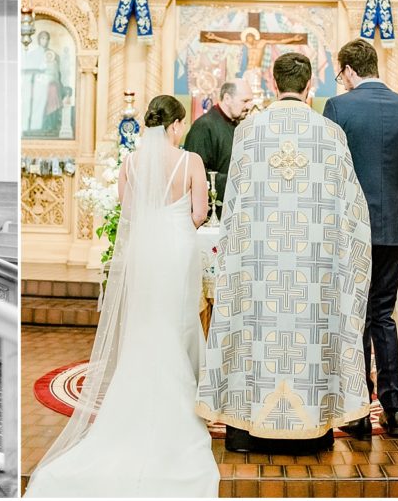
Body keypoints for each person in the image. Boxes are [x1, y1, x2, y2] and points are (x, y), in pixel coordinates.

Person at [26, 95, 219, 497]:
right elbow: (200, 213)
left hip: (146, 248)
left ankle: (138, 391)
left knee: (147, 319)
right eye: (180, 124)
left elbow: (128, 211)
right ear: (174, 125)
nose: (182, 130)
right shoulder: (190, 162)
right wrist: (176, 221)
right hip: (178, 246)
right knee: (178, 318)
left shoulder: (131, 162)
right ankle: (182, 393)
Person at [197, 52, 372, 454]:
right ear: (310, 86)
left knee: (255, 337)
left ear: (274, 85)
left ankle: (244, 430)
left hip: (259, 270)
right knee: (309, 338)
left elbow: (234, 206)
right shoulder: (330, 134)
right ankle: (314, 428)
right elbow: (351, 211)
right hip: (313, 271)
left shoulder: (249, 131)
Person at [324, 39, 398, 438]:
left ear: (350, 70)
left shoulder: (339, 107)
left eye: (341, 75)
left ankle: (358, 413)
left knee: (355, 316)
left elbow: (330, 168)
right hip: (393, 227)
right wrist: (390, 185)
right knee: (382, 316)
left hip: (352, 226)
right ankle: (394, 410)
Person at [181, 78, 253, 220]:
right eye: (245, 101)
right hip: (213, 214)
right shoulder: (204, 127)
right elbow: (195, 174)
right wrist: (239, 180)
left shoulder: (237, 124)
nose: (249, 106)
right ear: (227, 98)